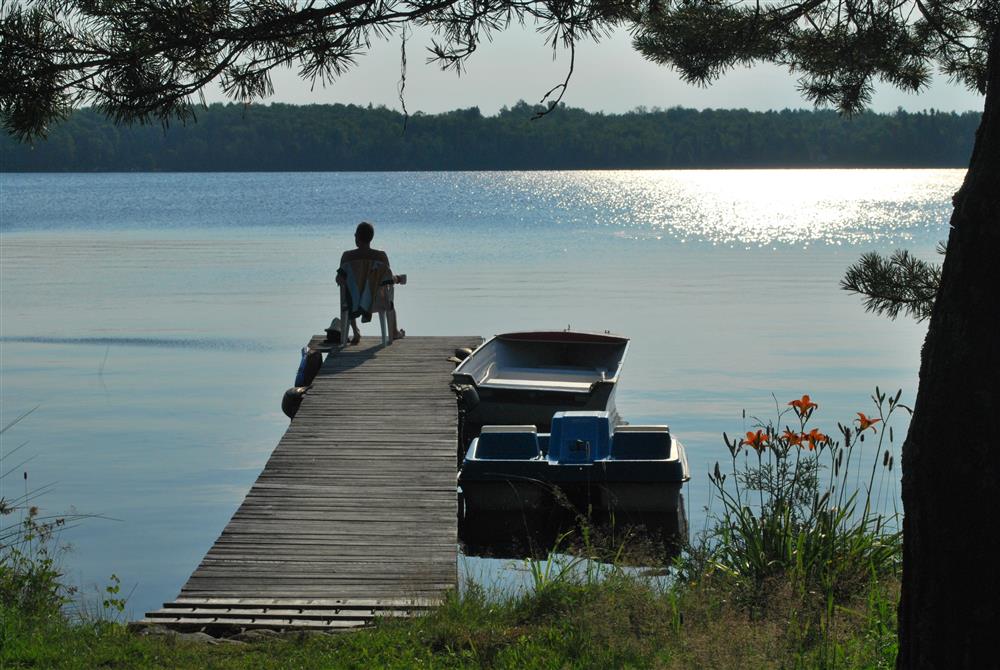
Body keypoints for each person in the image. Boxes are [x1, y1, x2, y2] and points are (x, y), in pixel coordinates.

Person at [337, 221, 405, 344]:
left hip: (354, 302)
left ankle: (355, 331)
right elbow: (387, 279)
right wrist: (398, 279)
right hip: (377, 301)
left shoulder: (347, 257)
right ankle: (394, 332)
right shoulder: (381, 256)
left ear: (356, 237)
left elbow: (340, 280)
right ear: (371, 238)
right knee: (389, 297)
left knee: (350, 292)